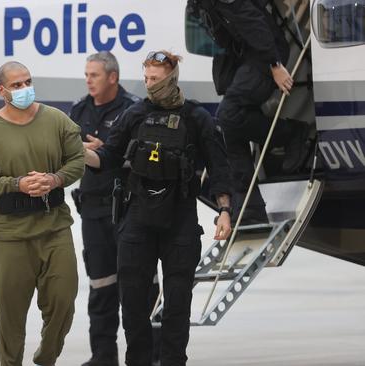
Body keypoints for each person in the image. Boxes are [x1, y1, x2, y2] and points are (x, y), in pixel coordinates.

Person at [83, 51, 233, 366]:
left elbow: (219, 168)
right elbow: (108, 157)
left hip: (180, 218)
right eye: (147, 78)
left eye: (156, 79)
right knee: (134, 304)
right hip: (137, 219)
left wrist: (224, 210)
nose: (150, 85)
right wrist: (79, 152)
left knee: (178, 304)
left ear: (172, 78)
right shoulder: (135, 115)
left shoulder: (196, 118)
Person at [0, 61, 84, 366]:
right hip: (10, 235)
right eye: (17, 85)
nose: (24, 89)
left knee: (63, 299)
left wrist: (55, 179)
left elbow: (77, 161)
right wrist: (17, 184)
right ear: (1, 90)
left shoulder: (57, 121)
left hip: (55, 226)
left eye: (27, 82)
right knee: (11, 316)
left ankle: (47, 355)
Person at [69, 51, 161, 366]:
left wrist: (107, 152)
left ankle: (151, 356)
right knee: (101, 286)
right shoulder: (78, 110)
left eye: (94, 75)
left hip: (128, 211)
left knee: (140, 288)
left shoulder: (133, 110)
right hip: (93, 212)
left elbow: (145, 157)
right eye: (86, 75)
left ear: (112, 77)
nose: (88, 80)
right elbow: (68, 155)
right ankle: (103, 356)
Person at [187, 0, 310, 224]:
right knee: (230, 128)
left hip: (264, 52)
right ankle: (249, 208)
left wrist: (274, 64)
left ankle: (292, 133)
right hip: (243, 56)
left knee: (228, 115)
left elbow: (251, 20)